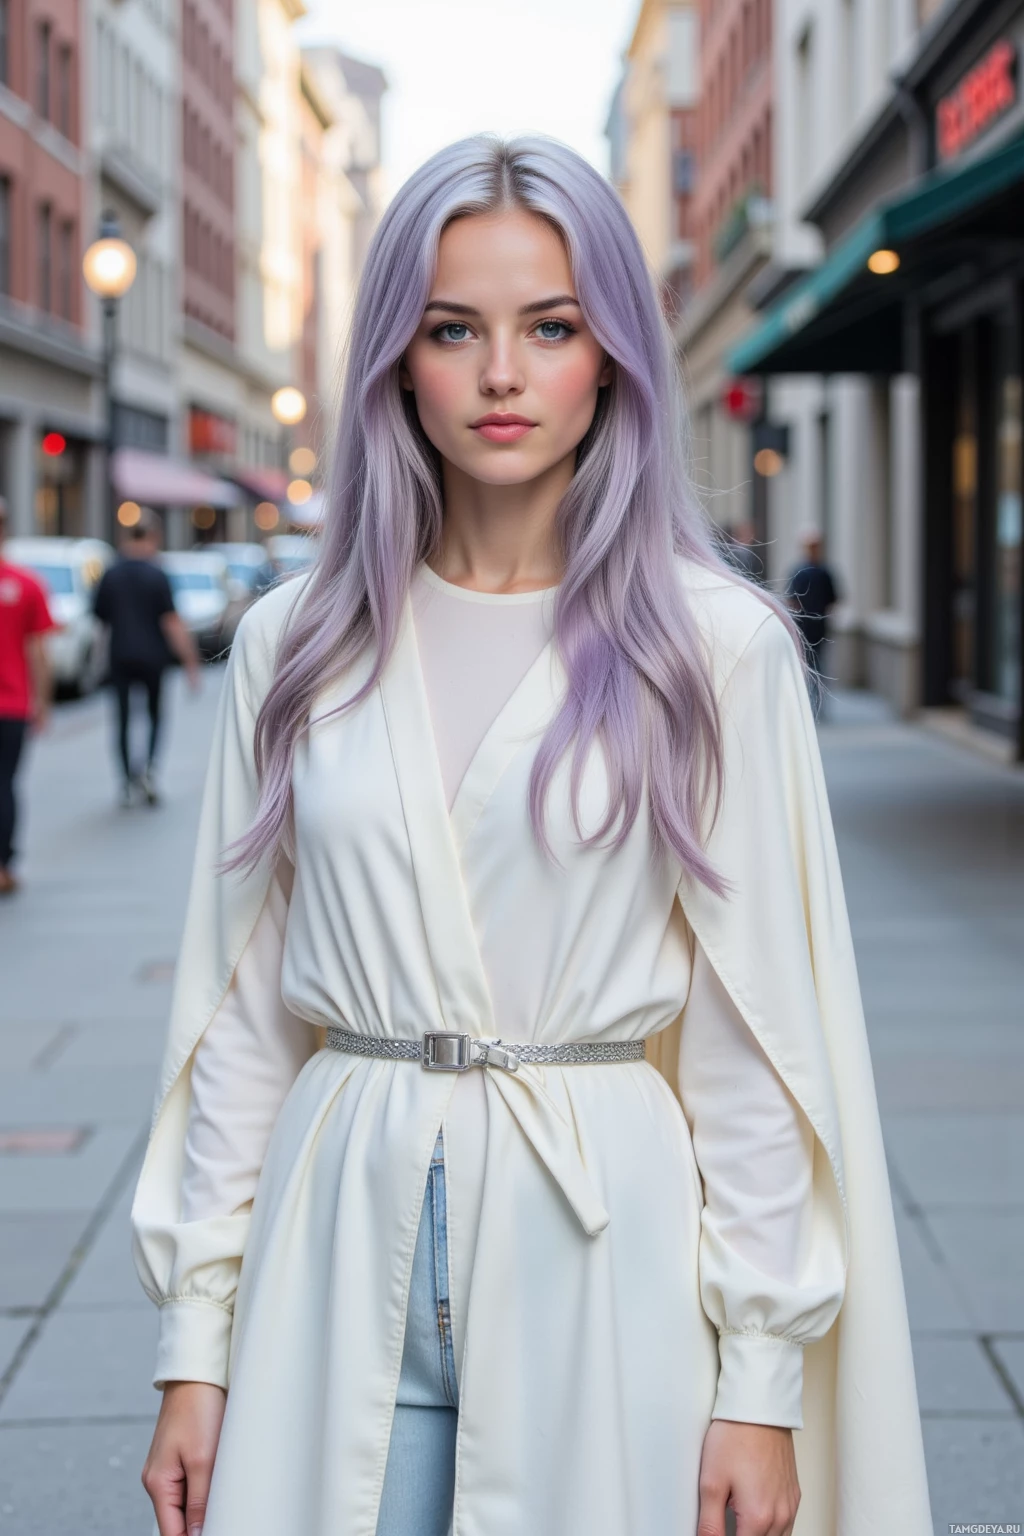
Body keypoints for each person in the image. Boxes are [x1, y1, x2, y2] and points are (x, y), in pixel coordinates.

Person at [132, 138, 931, 1536]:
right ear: (397, 357)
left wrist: (760, 1379)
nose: (503, 374)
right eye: (455, 329)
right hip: (330, 1240)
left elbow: (759, 1046)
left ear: (612, 353)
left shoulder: (713, 648)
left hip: (605, 1247)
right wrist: (195, 1347)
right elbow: (243, 1020)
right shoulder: (296, 647)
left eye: (550, 326)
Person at [92, 510, 200, 806]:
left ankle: (127, 779)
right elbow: (172, 622)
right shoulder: (157, 574)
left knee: (123, 719)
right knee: (154, 716)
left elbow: (100, 622)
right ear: (152, 537)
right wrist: (190, 662)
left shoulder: (111, 573)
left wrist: (96, 662)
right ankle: (150, 772)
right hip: (153, 655)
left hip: (121, 655)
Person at [0, 498, 55, 895]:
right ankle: (3, 866)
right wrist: (44, 703)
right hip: (12, 706)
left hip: (14, 705)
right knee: (5, 784)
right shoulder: (26, 583)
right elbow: (39, 652)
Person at [786, 529, 838, 716]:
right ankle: (811, 703)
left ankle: (815, 703)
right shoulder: (804, 572)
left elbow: (792, 600)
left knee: (816, 665)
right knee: (810, 666)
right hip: (807, 627)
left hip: (814, 627)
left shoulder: (821, 572)